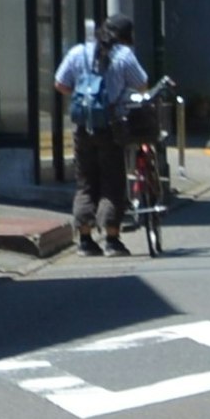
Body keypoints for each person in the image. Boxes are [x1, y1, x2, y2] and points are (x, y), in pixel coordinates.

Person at [54, 16, 151, 254]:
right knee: (112, 183)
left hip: (82, 126)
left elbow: (60, 83)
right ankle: (111, 239)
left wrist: (82, 98)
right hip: (111, 127)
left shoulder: (79, 52)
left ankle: (85, 240)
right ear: (127, 37)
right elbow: (143, 84)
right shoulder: (124, 56)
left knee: (86, 182)